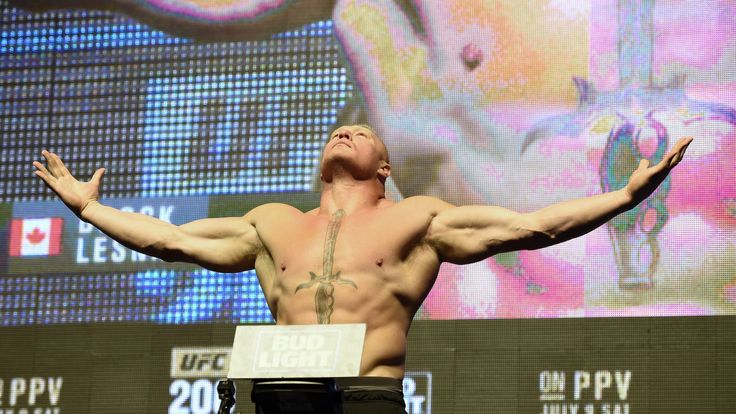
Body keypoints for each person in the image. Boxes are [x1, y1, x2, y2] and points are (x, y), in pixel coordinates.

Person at [33, 124, 692, 412]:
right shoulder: (272, 224)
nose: (344, 134)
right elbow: (169, 241)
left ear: (385, 167)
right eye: (336, 134)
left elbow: (531, 226)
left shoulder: (420, 219)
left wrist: (626, 196)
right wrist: (91, 212)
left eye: (362, 134)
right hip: (282, 396)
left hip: (368, 397)